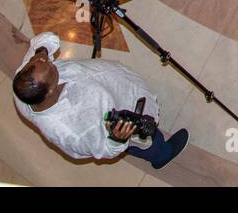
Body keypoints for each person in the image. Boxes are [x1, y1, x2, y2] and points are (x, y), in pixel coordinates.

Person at [13, 31, 188, 169]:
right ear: (50, 90)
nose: (51, 61)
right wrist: (117, 139)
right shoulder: (68, 131)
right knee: (145, 141)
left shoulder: (26, 80)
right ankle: (162, 155)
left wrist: (40, 52)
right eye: (51, 67)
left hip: (118, 86)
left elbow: (47, 39)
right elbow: (104, 150)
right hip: (128, 114)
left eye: (46, 61)